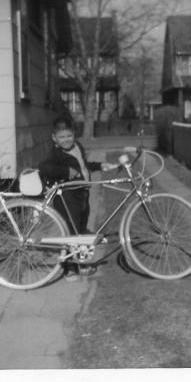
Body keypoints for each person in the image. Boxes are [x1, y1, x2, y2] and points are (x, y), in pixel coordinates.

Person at [38, 116, 117, 280]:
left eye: (69, 136)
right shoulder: (56, 154)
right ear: (54, 138)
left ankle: (80, 263)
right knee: (70, 233)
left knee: (80, 230)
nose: (66, 140)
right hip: (67, 197)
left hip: (82, 194)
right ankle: (69, 268)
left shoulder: (77, 147)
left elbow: (83, 165)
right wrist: (66, 172)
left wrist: (100, 165)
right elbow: (45, 168)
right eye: (62, 137)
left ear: (74, 135)